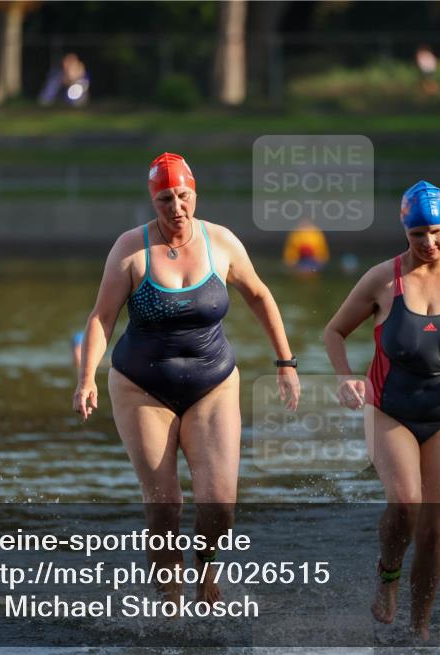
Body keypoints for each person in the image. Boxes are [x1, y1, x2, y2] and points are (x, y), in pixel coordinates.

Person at [73, 153, 300, 604]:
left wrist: (285, 362)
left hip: (213, 383)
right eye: (164, 200)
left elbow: (259, 295)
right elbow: (102, 317)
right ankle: (170, 605)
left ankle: (206, 568)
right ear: (152, 201)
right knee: (165, 506)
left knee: (220, 505)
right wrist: (86, 379)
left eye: (183, 196)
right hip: (141, 387)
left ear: (194, 193)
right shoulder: (130, 250)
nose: (176, 208)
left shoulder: (222, 242)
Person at [323, 181, 440, 638]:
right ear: (404, 230)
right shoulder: (382, 280)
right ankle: (388, 574)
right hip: (389, 409)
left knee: (433, 527)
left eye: (436, 232)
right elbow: (334, 332)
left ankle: (421, 630)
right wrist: (344, 376)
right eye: (418, 234)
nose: (429, 242)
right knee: (406, 503)